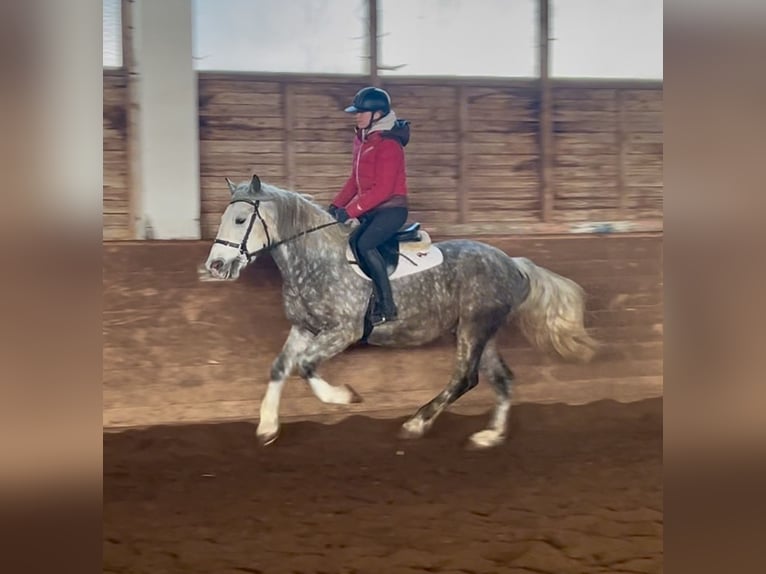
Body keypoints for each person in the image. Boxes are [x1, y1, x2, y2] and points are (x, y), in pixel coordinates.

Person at [328, 86, 411, 326]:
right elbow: (355, 181)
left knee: (364, 244)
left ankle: (387, 306)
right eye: (357, 112)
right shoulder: (363, 140)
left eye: (362, 112)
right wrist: (334, 205)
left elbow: (384, 189)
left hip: (391, 210)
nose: (357, 115)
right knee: (351, 241)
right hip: (372, 209)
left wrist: (350, 211)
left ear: (378, 114)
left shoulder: (389, 144)